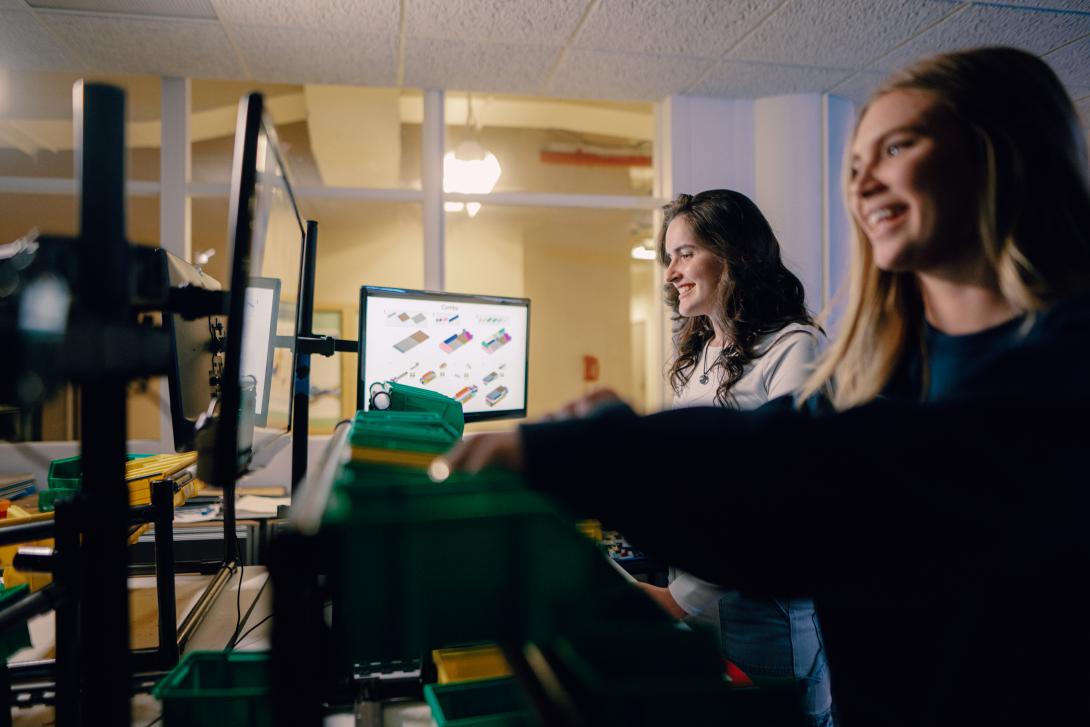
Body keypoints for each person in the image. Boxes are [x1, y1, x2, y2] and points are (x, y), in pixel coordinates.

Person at [444, 46, 1090, 726]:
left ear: (1001, 154)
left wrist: (592, 451)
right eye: (854, 164)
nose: (863, 182)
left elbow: (822, 472)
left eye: (897, 147)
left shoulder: (1062, 362)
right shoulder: (891, 363)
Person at [645, 188, 831, 726]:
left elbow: (777, 501)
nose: (671, 273)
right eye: (668, 258)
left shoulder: (795, 348)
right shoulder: (704, 354)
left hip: (761, 612)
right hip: (701, 596)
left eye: (685, 253)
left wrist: (679, 599)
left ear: (734, 254)